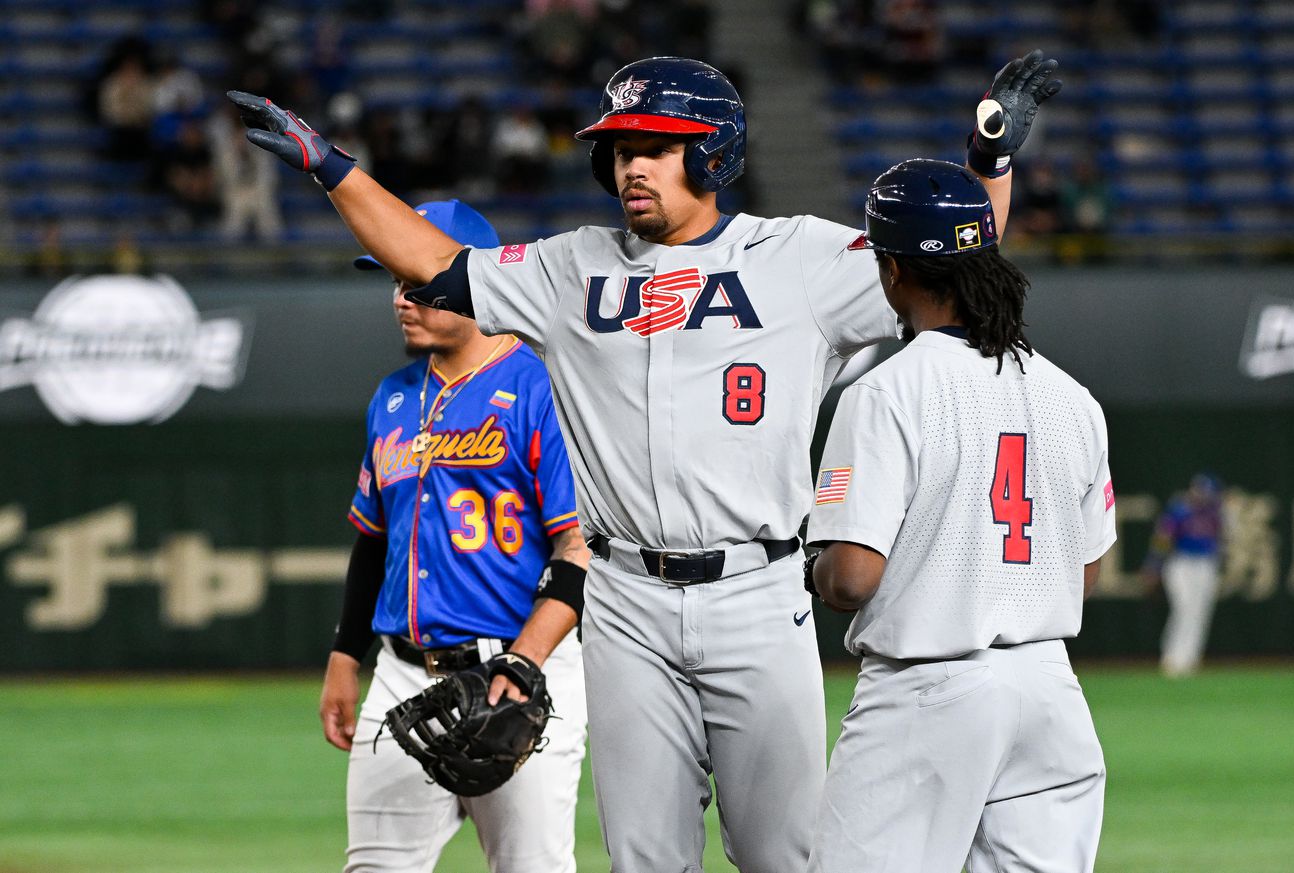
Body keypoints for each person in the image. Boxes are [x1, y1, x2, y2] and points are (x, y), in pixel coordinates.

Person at [232, 50, 1060, 872]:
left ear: (713, 154)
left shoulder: (800, 258)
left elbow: (948, 249)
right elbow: (430, 263)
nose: (633, 164)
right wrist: (331, 168)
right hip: (624, 601)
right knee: (645, 859)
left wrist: (987, 160)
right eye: (622, 149)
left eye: (658, 146)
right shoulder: (569, 268)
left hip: (759, 591)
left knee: (788, 853)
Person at [804, 159, 1115, 873]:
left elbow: (851, 577)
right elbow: (1086, 570)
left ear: (892, 272)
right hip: (1049, 694)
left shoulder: (886, 392)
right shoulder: (1074, 396)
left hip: (928, 689)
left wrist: (809, 562)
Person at [317, 199, 590, 873]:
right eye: (393, 283)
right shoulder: (392, 396)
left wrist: (523, 664)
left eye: (417, 283)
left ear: (473, 283)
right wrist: (346, 655)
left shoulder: (542, 386)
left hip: (521, 675)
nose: (401, 300)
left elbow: (577, 548)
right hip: (402, 676)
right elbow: (374, 539)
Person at [1144, 473, 1225, 678]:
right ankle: (1172, 657)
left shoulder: (1215, 513)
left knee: (1199, 612)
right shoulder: (1180, 511)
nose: (1201, 495)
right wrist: (1153, 565)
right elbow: (1163, 538)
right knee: (1184, 608)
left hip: (1206, 564)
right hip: (1181, 563)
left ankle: (1191, 658)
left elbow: (1221, 540)